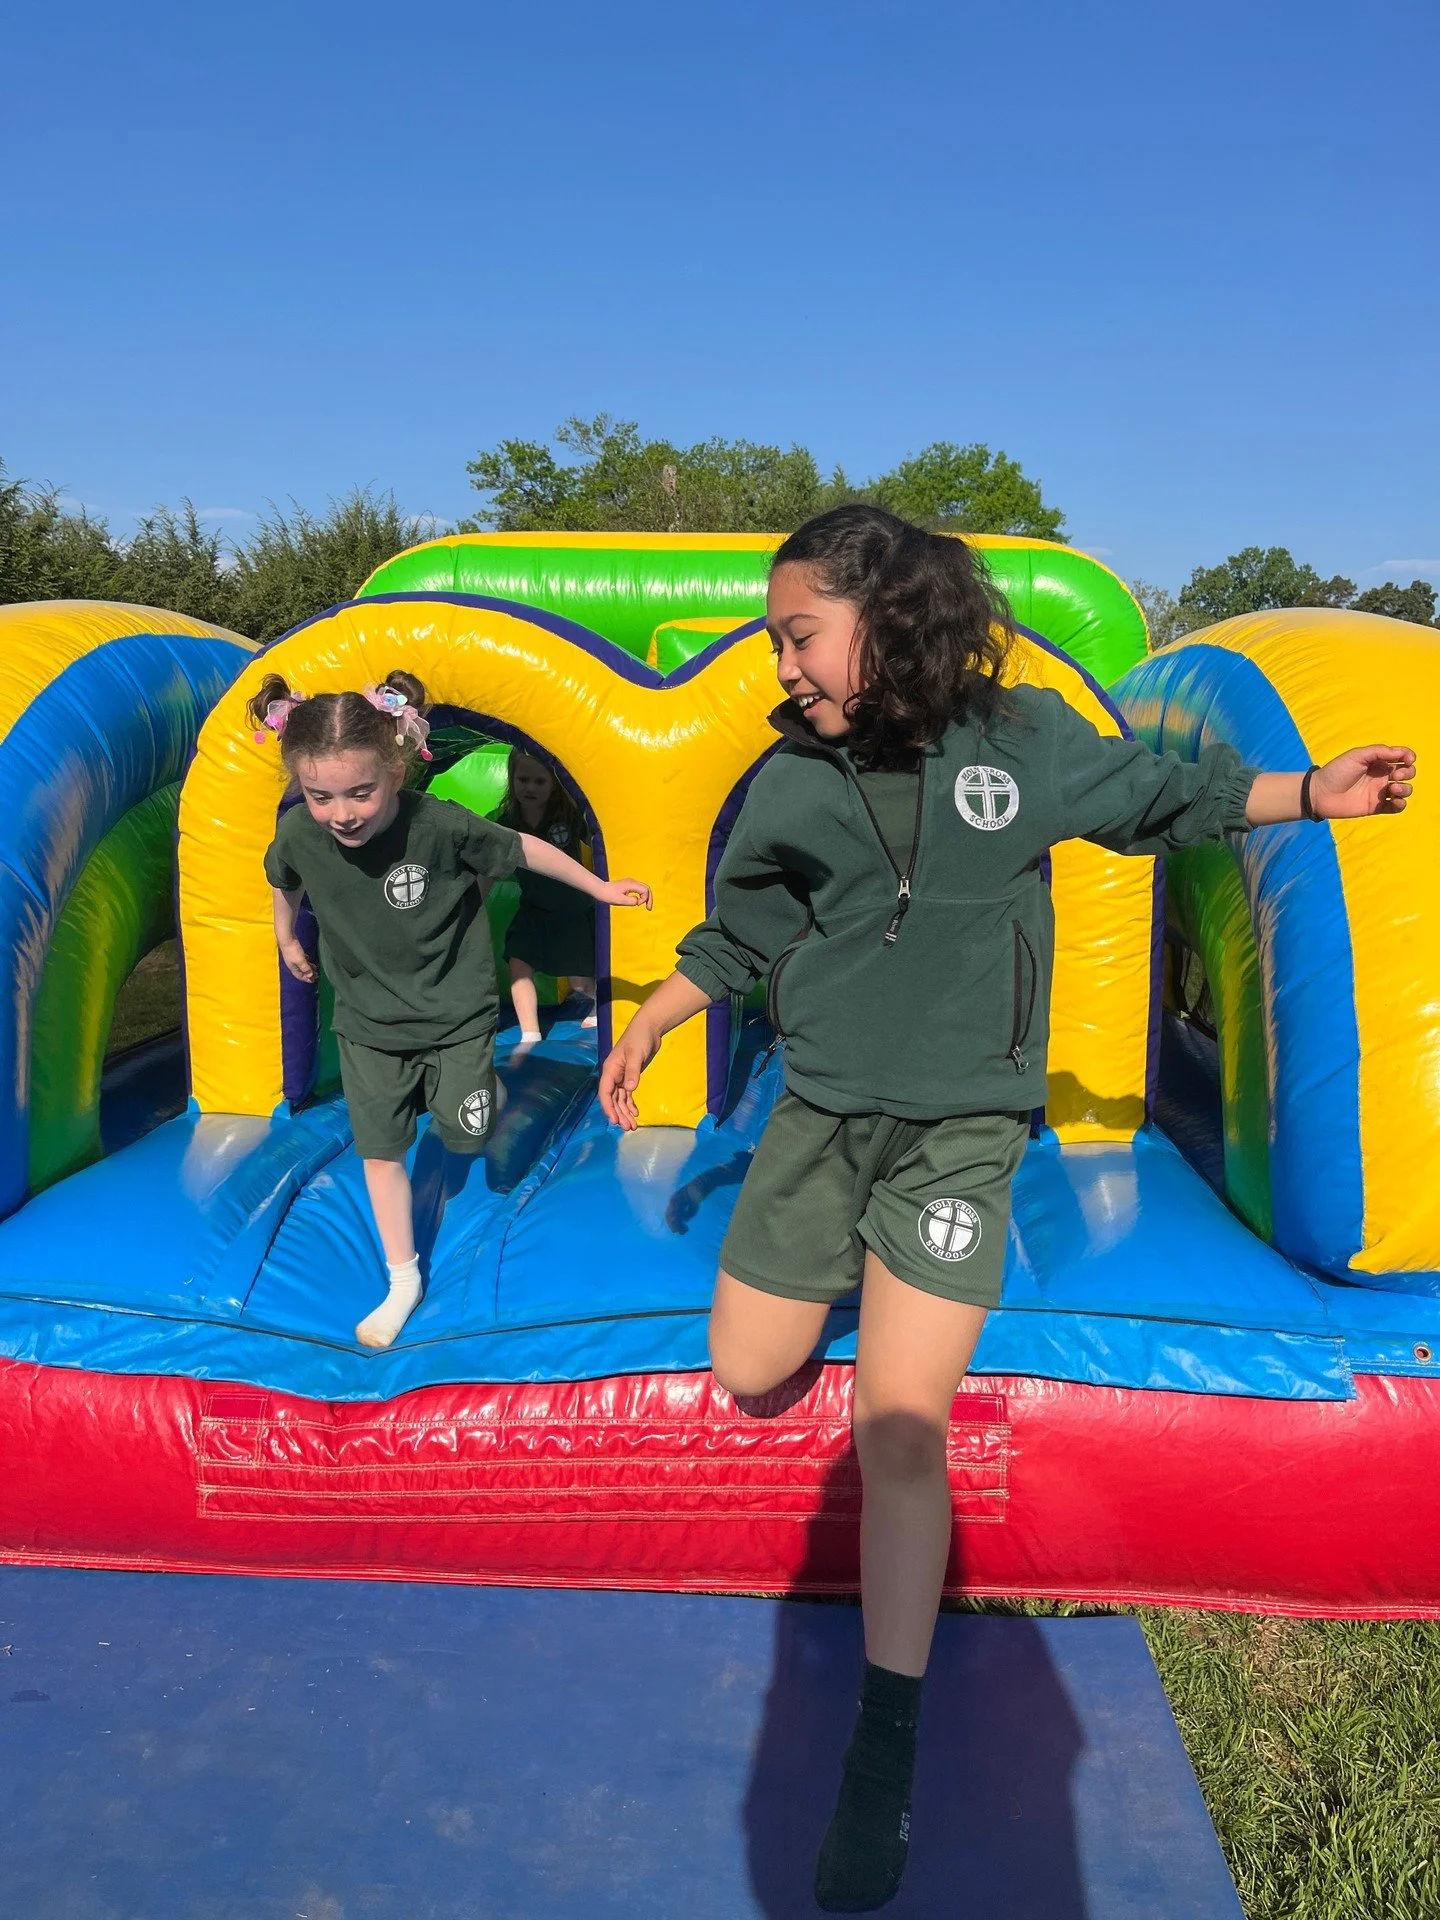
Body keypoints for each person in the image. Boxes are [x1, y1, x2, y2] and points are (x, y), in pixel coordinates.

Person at [598, 504, 1416, 1913]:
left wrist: (1310, 792)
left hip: (959, 1136)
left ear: (887, 618)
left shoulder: (1020, 740)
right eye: (778, 639)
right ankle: (846, 1260)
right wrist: (652, 1019)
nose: (782, 663)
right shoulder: (789, 780)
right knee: (748, 1364)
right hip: (820, 1121)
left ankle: (884, 1744)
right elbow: (743, 933)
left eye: (800, 635)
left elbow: (1159, 798)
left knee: (898, 1429)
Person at [253, 671, 652, 1352]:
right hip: (369, 1025)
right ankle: (402, 1278)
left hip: (455, 1015)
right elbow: (284, 881)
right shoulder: (300, 833)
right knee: (382, 1152)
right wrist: (287, 938)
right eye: (321, 796)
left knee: (467, 1134)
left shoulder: (435, 824)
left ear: (395, 769)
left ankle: (483, 1088)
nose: (342, 813)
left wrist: (598, 886)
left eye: (360, 792)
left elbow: (523, 847)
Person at [494, 749, 599, 1042]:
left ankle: (599, 1003)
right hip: (534, 910)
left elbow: (600, 839)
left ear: (554, 784)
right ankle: (530, 1033)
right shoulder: (508, 823)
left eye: (540, 781)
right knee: (518, 964)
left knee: (579, 983)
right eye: (523, 780)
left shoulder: (567, 817)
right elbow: (488, 865)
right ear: (512, 780)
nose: (530, 787)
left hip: (572, 911)